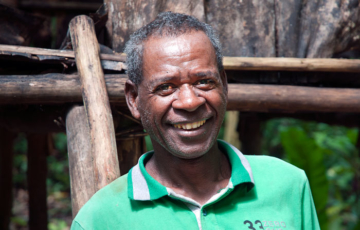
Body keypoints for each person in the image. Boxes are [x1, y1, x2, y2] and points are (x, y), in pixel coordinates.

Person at [71, 12, 320, 230]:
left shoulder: (287, 185)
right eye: (166, 87)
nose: (190, 102)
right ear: (134, 99)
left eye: (203, 81)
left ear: (223, 85)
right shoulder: (100, 220)